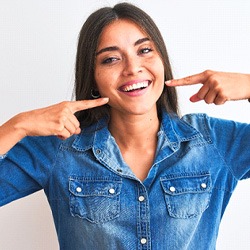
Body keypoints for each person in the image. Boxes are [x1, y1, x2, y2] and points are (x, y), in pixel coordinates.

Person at [0, 2, 249, 249]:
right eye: (111, 59)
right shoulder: (59, 148)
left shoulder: (213, 141)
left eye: (144, 51)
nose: (133, 68)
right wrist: (17, 126)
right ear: (93, 77)